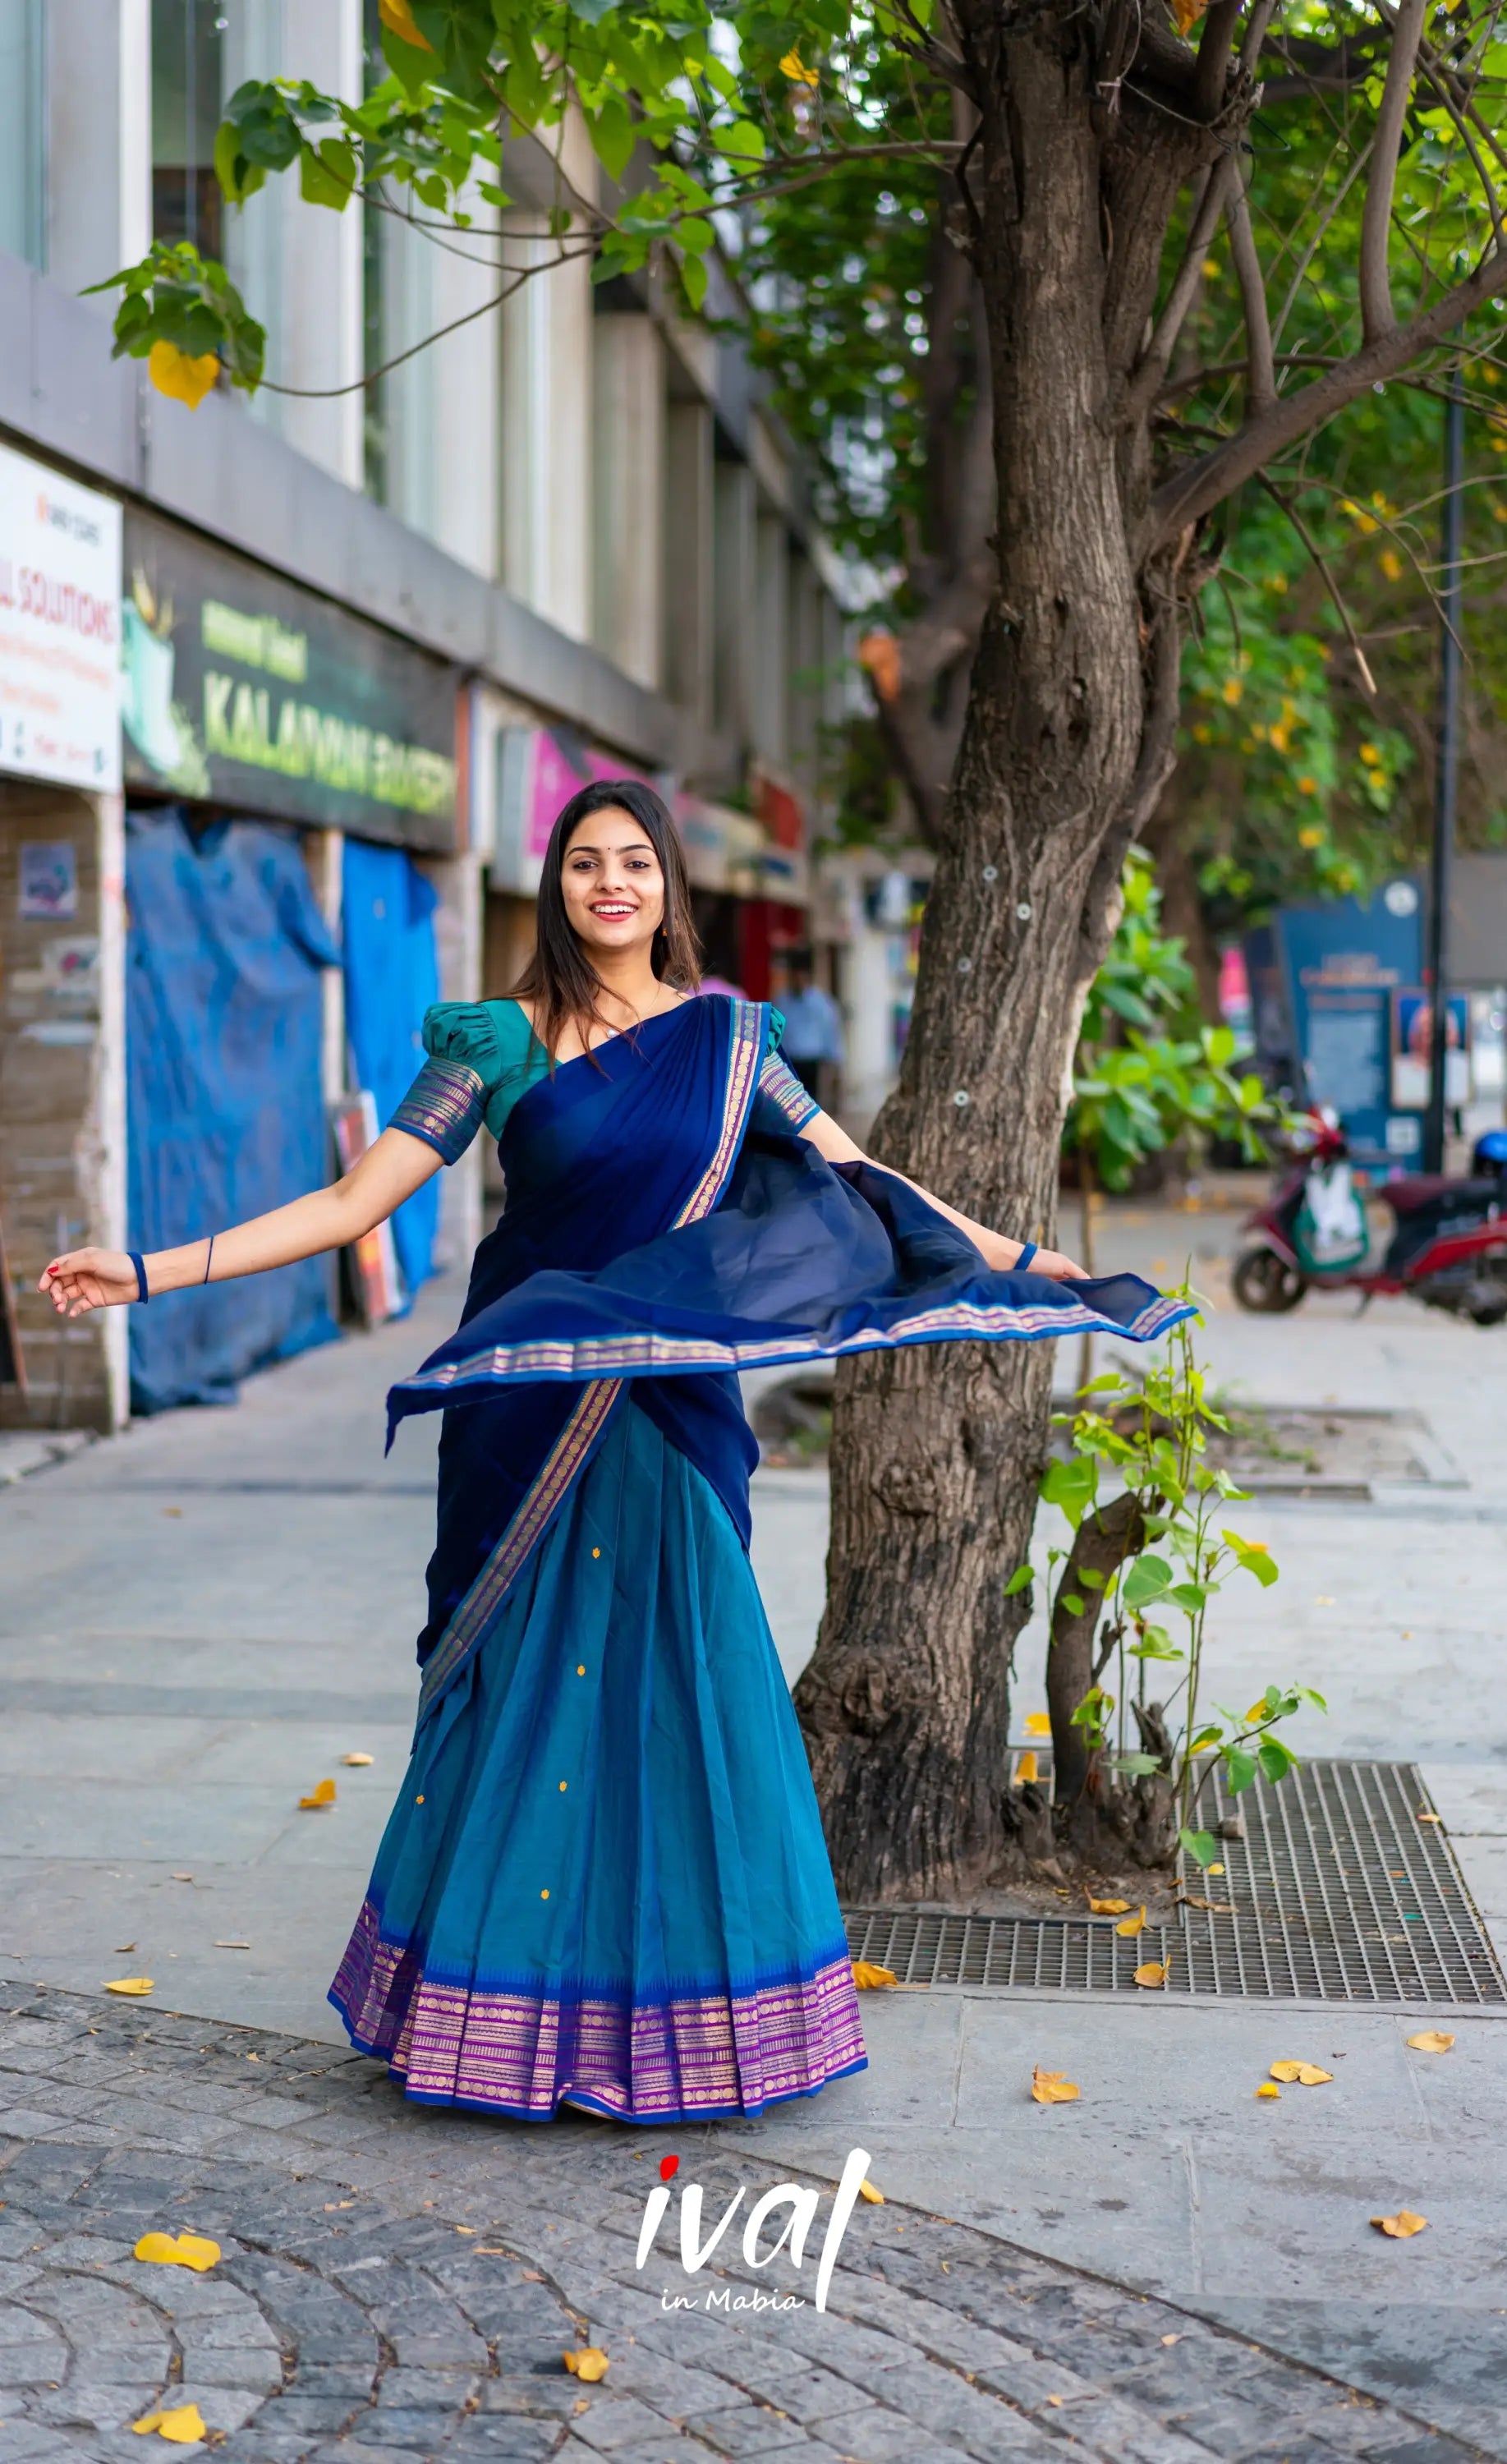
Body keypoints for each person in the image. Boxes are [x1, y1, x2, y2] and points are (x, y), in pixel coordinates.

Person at [41, 781, 1188, 2127]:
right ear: (557, 889)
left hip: (671, 1415)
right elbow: (357, 1201)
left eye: (634, 861)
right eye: (585, 863)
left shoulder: (728, 1045)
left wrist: (1011, 1257)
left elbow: (864, 1179)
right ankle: (487, 2016)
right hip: (528, 1415)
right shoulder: (498, 1041)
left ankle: (698, 2030)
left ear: (668, 885)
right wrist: (145, 1270)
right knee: (525, 1695)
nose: (610, 883)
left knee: (685, 1693)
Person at [779, 949, 845, 1106]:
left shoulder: (821, 1003)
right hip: (789, 1062)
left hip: (813, 1062)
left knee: (811, 1104)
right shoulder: (782, 1002)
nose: (798, 980)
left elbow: (831, 1033)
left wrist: (835, 1066)